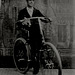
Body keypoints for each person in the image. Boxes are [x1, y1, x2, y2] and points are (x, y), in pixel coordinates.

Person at [17, 0, 51, 74]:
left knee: (40, 46)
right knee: (33, 49)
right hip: (27, 31)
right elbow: (19, 22)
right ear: (27, 1)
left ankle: (39, 61)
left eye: (32, 0)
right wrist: (24, 22)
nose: (31, 2)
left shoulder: (36, 11)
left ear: (34, 2)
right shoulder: (22, 11)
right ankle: (34, 64)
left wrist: (47, 19)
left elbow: (42, 18)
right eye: (29, 0)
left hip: (37, 32)